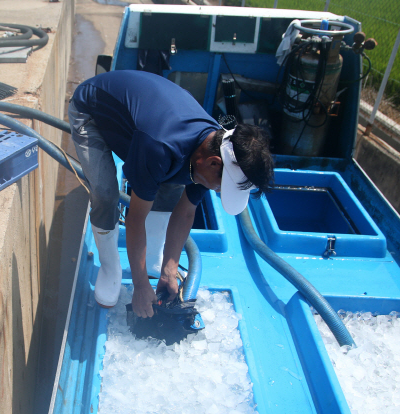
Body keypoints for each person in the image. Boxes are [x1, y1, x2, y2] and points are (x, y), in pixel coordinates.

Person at [69, 70, 274, 318]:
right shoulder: (160, 147)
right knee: (105, 193)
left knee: (172, 183)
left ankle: (155, 257)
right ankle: (110, 267)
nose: (218, 191)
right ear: (213, 162)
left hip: (142, 126)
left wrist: (170, 266)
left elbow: (186, 211)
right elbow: (135, 220)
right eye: (220, 186)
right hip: (91, 112)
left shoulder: (213, 148)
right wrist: (141, 284)